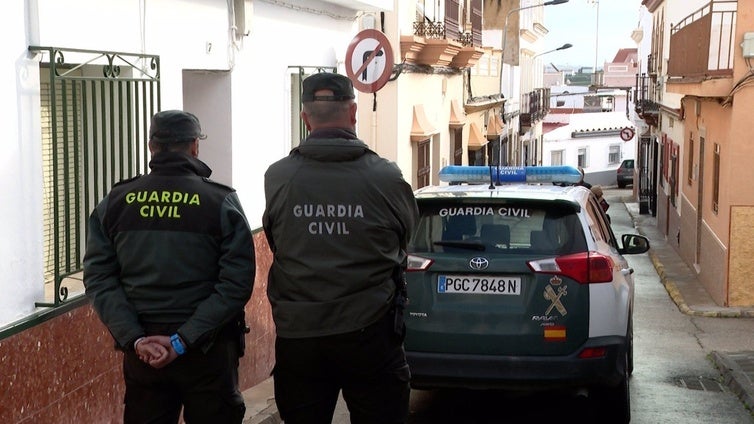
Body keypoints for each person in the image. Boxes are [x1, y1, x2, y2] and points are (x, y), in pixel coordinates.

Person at [262, 72, 419, 424]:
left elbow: (277, 240)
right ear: (353, 113)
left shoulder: (278, 176)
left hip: (300, 334)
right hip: (371, 331)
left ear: (305, 119)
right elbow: (406, 234)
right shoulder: (385, 176)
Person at [83, 110, 256, 423]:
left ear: (151, 146)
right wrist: (183, 339)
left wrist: (136, 339)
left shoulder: (117, 202)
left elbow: (99, 279)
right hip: (208, 350)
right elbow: (236, 284)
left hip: (144, 354)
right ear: (194, 147)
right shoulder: (219, 202)